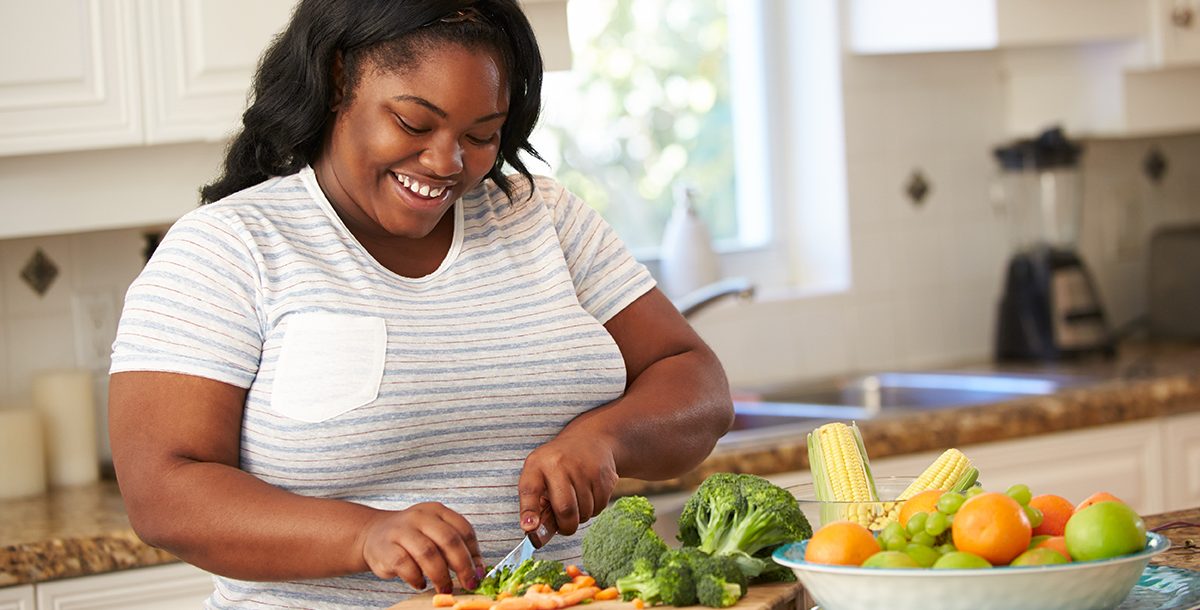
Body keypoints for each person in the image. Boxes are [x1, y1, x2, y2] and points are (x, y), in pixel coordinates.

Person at [107, 1, 734, 608]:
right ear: (336, 80)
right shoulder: (228, 248)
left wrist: (607, 439)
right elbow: (162, 493)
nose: (447, 162)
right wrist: (364, 535)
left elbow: (696, 382)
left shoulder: (541, 217)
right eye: (413, 123)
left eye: (481, 135)